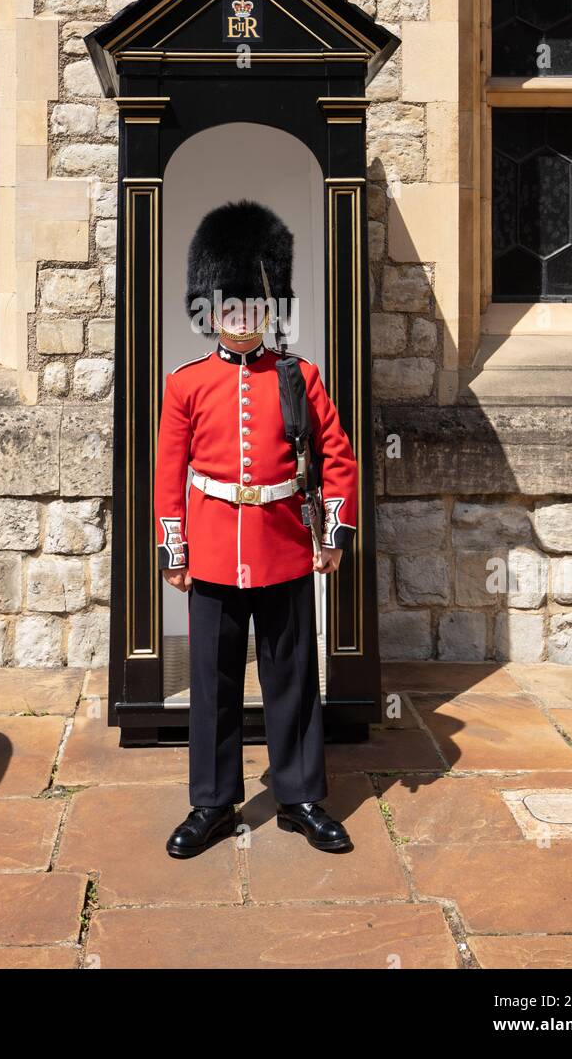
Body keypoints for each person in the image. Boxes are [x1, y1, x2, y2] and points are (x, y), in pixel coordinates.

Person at [154, 199, 359, 857]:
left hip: (284, 550)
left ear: (269, 312)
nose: (243, 320)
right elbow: (169, 473)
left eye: (255, 308)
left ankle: (300, 795)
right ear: (213, 311)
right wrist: (174, 551)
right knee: (212, 684)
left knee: (292, 678)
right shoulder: (185, 384)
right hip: (212, 552)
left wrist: (333, 536)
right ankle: (212, 804)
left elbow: (338, 457)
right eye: (231, 308)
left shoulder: (299, 377)